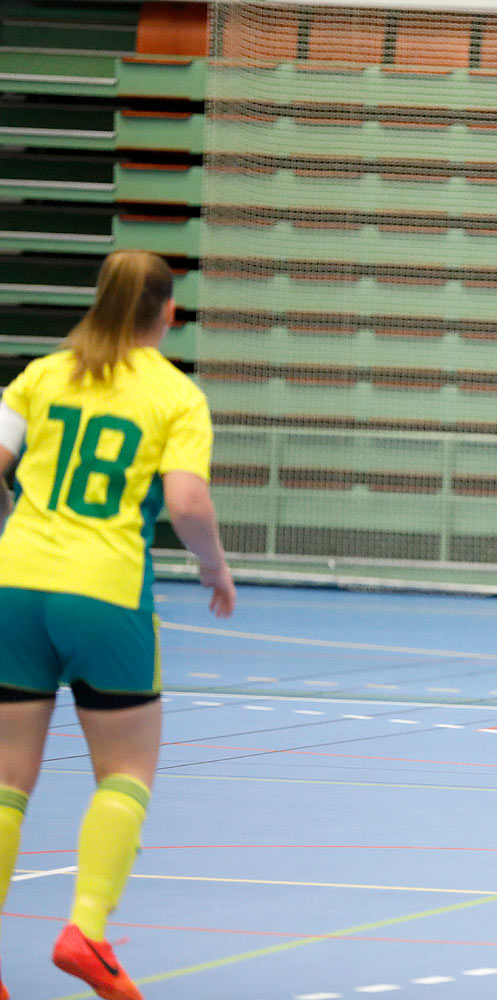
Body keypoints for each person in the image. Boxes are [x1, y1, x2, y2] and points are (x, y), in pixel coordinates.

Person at [0, 250, 236, 1000]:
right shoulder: (174, 394)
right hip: (104, 592)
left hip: (15, 583)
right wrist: (214, 569)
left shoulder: (42, 374)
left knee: (7, 780)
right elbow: (189, 503)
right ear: (168, 313)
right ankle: (87, 930)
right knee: (126, 773)